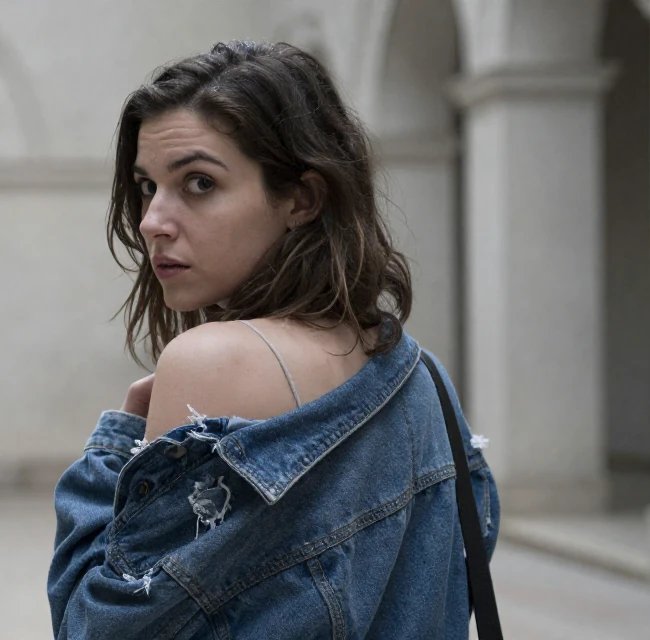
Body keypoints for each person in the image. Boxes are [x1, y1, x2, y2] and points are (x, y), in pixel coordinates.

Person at [48, 42, 499, 639]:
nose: (153, 219)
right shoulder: (423, 377)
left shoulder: (214, 360)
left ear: (302, 199)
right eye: (147, 186)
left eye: (199, 183)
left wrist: (113, 454)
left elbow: (98, 628)